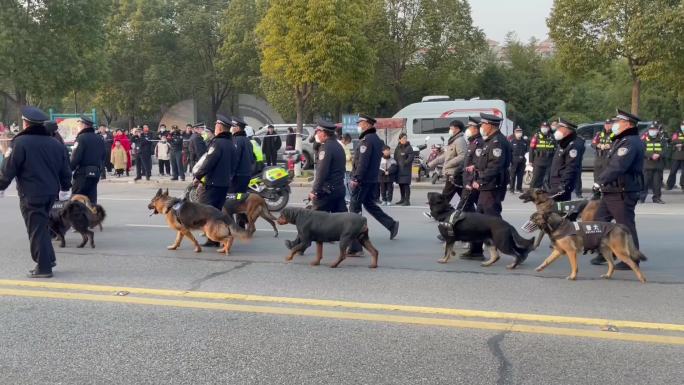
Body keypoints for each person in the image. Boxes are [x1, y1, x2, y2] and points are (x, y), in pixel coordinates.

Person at [0, 106, 72, 278]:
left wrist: (1, 186)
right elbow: (65, 170)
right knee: (42, 226)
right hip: (51, 193)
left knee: (36, 229)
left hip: (31, 193)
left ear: (26, 123)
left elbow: (9, 168)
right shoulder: (55, 143)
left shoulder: (20, 143)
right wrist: (65, 188)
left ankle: (44, 267)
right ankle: (49, 259)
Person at [591, 109, 645, 270]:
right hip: (612, 190)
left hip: (623, 191)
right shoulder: (621, 140)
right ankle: (607, 251)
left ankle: (633, 259)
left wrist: (599, 182)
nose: (614, 124)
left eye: (618, 122)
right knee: (599, 221)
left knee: (625, 225)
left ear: (627, 124)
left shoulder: (630, 142)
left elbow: (618, 166)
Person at [463, 113, 511, 261]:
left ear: (491, 125)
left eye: (483, 124)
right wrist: (475, 167)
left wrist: (480, 179)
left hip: (492, 187)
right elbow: (485, 162)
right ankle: (476, 250)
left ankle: (515, 249)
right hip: (486, 186)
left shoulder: (498, 142)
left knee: (494, 221)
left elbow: (495, 166)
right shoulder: (490, 140)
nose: (481, 127)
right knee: (480, 220)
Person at [350, 114, 399, 240]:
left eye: (360, 123)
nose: (358, 126)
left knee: (354, 206)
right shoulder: (376, 139)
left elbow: (363, 162)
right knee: (369, 205)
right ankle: (391, 224)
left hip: (363, 179)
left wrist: (357, 178)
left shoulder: (367, 140)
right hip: (372, 178)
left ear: (366, 124)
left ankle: (355, 235)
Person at [193, 114, 236, 247]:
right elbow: (234, 164)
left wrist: (198, 176)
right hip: (224, 184)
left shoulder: (217, 143)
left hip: (212, 184)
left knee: (204, 211)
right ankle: (214, 239)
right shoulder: (231, 144)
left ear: (220, 128)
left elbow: (209, 161)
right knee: (216, 212)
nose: (215, 129)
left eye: (217, 126)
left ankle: (219, 238)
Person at [309, 120, 347, 213]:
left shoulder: (326, 148)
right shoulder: (338, 145)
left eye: (318, 132)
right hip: (339, 189)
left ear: (324, 134)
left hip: (327, 192)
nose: (316, 134)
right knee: (340, 223)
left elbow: (322, 171)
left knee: (315, 221)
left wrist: (315, 190)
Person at [71, 114, 106, 203]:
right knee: (91, 200)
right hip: (95, 173)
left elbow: (75, 158)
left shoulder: (81, 138)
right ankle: (91, 216)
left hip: (82, 174)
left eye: (79, 125)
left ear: (84, 125)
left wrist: (69, 169)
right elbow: (103, 156)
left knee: (76, 200)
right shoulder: (99, 138)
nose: (78, 127)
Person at [431, 120, 467, 203]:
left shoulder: (459, 140)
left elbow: (462, 156)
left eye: (451, 128)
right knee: (463, 196)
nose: (450, 130)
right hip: (452, 173)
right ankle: (471, 211)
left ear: (457, 129)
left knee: (446, 196)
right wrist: (431, 164)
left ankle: (438, 212)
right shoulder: (453, 140)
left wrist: (448, 164)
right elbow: (446, 155)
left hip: (454, 173)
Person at [548, 118, 582, 202]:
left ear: (567, 130)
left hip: (562, 184)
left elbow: (571, 167)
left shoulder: (572, 145)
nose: (557, 130)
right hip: (555, 182)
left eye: (560, 128)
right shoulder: (563, 143)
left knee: (559, 211)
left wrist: (563, 185)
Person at [640, 123, 666, 204]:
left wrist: (659, 154)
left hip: (658, 164)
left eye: (654, 130)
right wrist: (651, 155)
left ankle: (657, 198)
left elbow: (666, 150)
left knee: (657, 183)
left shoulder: (662, 139)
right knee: (645, 182)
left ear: (658, 130)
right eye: (651, 130)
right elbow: (641, 150)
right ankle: (642, 198)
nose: (652, 131)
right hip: (647, 163)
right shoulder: (644, 139)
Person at [229, 116, 255, 193]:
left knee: (233, 198)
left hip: (238, 175)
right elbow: (252, 158)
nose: (231, 128)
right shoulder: (247, 140)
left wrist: (230, 175)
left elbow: (235, 159)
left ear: (237, 128)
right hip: (246, 174)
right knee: (241, 197)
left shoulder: (236, 140)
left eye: (232, 126)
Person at [529, 121, 555, 189]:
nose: (544, 128)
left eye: (546, 127)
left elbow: (556, 149)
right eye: (543, 127)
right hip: (538, 161)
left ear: (549, 128)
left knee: (547, 180)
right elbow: (531, 149)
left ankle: (545, 195)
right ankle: (531, 193)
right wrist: (530, 161)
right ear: (540, 128)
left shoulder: (552, 137)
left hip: (549, 161)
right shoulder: (536, 136)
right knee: (535, 179)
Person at [393, 133, 414, 206]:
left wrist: (404, 163)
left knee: (406, 185)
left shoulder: (409, 147)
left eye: (405, 138)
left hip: (406, 169)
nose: (404, 139)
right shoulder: (398, 147)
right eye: (403, 138)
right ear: (399, 139)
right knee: (401, 185)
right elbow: (395, 157)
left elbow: (411, 157)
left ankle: (407, 201)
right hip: (399, 169)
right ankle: (402, 199)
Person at [591, 119, 614, 183]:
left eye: (609, 124)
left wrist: (609, 146)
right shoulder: (599, 134)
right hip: (599, 158)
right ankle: (597, 190)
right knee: (597, 176)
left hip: (609, 159)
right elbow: (593, 143)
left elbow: (619, 144)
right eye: (606, 124)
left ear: (612, 125)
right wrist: (599, 145)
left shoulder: (615, 134)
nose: (607, 126)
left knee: (607, 176)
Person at [508, 126, 528, 194]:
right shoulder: (512, 141)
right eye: (517, 132)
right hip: (514, 161)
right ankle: (511, 189)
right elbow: (509, 152)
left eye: (520, 132)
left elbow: (526, 151)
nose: (519, 133)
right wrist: (510, 161)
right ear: (514, 133)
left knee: (520, 175)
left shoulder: (524, 142)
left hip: (522, 160)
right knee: (513, 176)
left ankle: (519, 188)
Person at [665, 120, 684, 191]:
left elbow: (676, 141)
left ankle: (683, 185)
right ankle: (670, 185)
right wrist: (679, 143)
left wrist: (682, 144)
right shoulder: (677, 133)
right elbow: (672, 141)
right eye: (682, 125)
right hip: (676, 156)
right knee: (673, 171)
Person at [341, 133, 353, 202]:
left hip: (348, 167)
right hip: (345, 167)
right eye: (348, 141)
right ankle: (347, 197)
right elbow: (342, 157)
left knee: (348, 183)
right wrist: (349, 157)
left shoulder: (345, 146)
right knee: (346, 183)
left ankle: (349, 196)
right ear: (345, 140)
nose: (348, 143)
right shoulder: (341, 146)